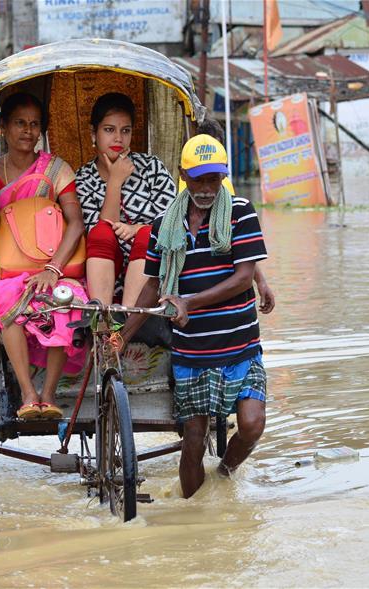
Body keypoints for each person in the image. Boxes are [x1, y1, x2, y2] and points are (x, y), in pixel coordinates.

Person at [120, 134, 269, 499]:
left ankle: (224, 473)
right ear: (183, 176)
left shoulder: (240, 212)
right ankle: (193, 514)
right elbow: (153, 285)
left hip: (241, 346)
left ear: (223, 177)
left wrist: (189, 302)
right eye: (198, 179)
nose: (206, 189)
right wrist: (122, 336)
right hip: (194, 354)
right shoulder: (163, 226)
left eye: (213, 180)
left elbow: (243, 278)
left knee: (252, 424)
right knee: (193, 440)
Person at [0, 92, 87, 420]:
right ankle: (28, 393)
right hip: (6, 267)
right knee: (7, 300)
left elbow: (76, 223)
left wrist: (53, 269)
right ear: (4, 127)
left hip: (53, 263)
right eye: (20, 123)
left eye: (35, 125)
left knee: (68, 301)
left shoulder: (56, 169)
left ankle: (48, 395)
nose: (28, 131)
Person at [75, 93, 176, 306]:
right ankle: (101, 316)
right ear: (94, 133)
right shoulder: (83, 178)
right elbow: (99, 232)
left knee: (148, 235)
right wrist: (114, 182)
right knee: (101, 232)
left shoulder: (152, 168)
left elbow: (173, 220)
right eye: (109, 130)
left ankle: (129, 319)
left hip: (152, 275)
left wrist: (137, 229)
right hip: (105, 275)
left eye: (125, 130)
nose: (118, 138)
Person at [183, 118, 274, 314]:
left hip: (223, 296)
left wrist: (261, 281)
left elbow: (240, 248)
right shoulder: (184, 194)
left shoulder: (230, 197)